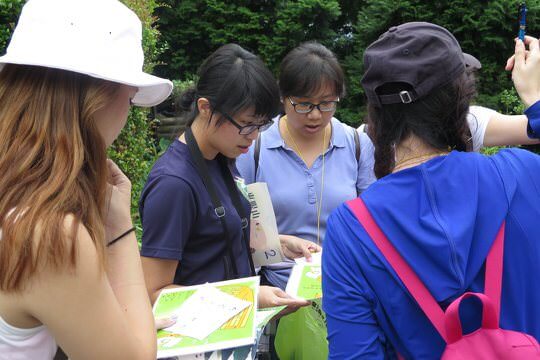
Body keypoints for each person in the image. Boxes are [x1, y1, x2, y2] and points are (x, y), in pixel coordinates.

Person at [322, 22, 540, 359]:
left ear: (375, 117)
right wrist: (535, 99)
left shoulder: (350, 229)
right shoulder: (523, 173)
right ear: (461, 101)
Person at [0, 0, 173, 359]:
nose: (126, 117)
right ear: (97, 100)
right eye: (129, 99)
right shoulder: (48, 233)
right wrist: (119, 226)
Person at [139, 44, 312, 313]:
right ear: (205, 107)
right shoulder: (174, 183)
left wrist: (281, 244)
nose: (254, 136)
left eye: (261, 125)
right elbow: (154, 293)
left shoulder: (222, 157)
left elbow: (217, 239)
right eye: (246, 124)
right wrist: (248, 298)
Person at [236, 42, 374, 290]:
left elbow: (373, 220)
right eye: (303, 104)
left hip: (346, 286)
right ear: (282, 97)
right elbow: (237, 225)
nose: (315, 115)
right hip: (277, 288)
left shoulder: (357, 144)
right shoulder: (255, 146)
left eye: (326, 103)